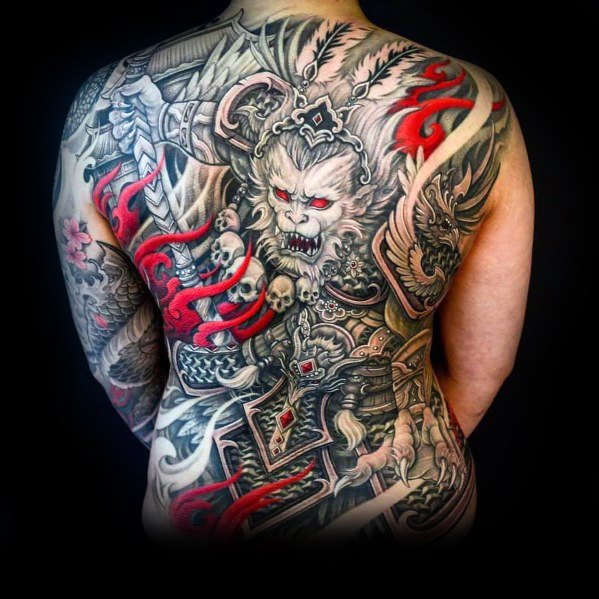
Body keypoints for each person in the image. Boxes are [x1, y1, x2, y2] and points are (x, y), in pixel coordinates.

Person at [53, 0, 533, 547]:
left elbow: (116, 359)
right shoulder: (483, 110)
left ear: (357, 203)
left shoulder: (101, 104)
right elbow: (482, 369)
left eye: (319, 203)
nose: (297, 218)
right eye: (283, 197)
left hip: (203, 505)